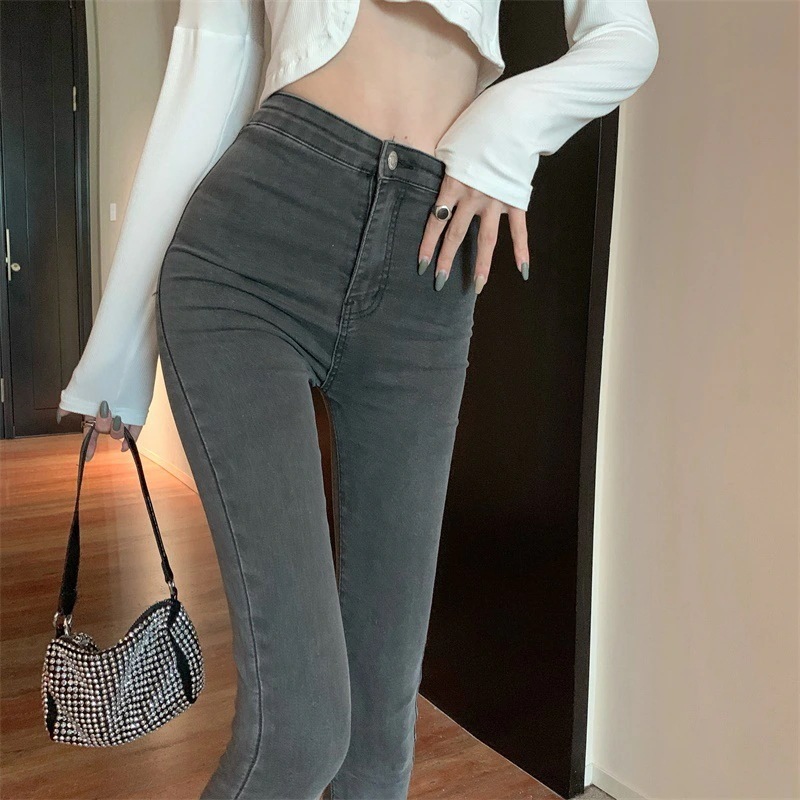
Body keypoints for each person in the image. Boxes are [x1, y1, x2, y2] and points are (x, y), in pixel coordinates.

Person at [56, 0, 658, 797]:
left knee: (379, 741)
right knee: (300, 730)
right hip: (254, 245)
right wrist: (119, 356)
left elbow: (625, 37)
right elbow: (208, 68)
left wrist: (508, 125)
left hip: (429, 264)